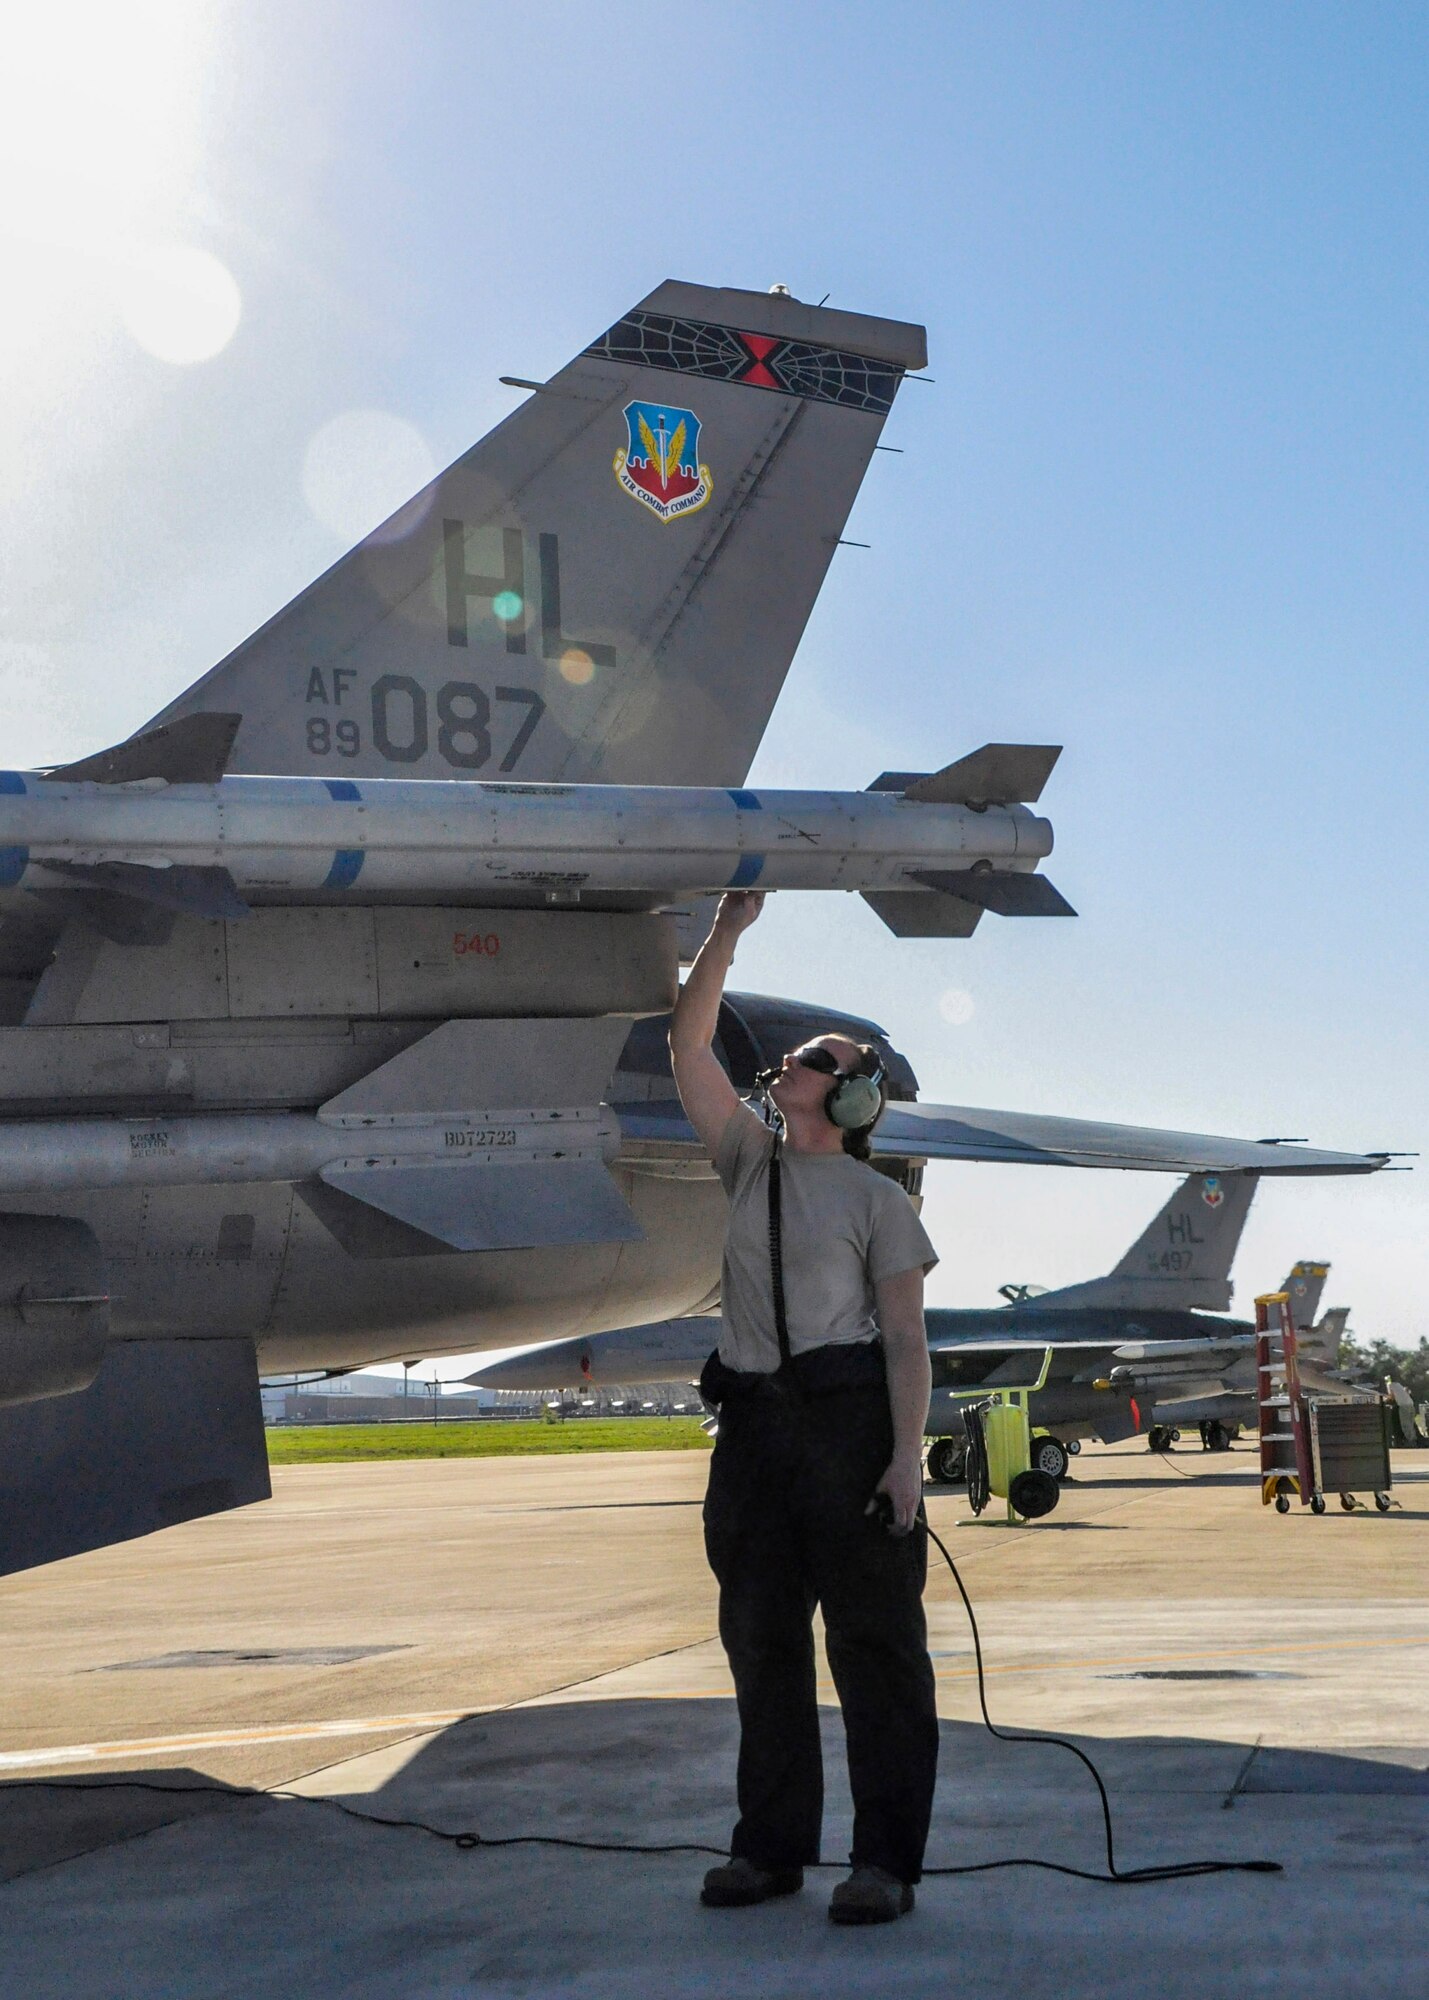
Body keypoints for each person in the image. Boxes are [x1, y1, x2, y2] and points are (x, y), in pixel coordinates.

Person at [668, 889, 940, 1927]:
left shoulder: (880, 1202)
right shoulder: (749, 1163)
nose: (789, 1062)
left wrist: (906, 1458)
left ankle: (883, 1862)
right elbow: (686, 1041)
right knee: (761, 1640)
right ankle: (769, 1849)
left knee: (875, 1651)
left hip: (848, 1422)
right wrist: (726, 933)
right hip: (753, 1432)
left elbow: (906, 1339)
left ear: (856, 1097)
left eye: (814, 1058)